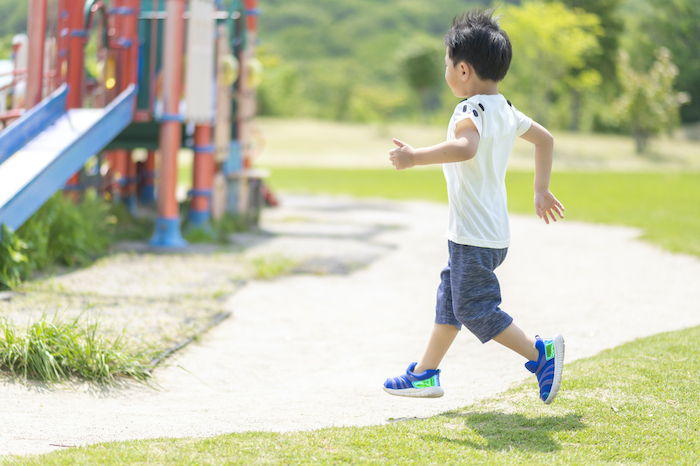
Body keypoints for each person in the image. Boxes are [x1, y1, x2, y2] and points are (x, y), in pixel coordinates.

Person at [384, 9, 566, 404]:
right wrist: (541, 189)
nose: (445, 70)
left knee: (473, 307)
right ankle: (424, 373)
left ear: (463, 70)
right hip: (490, 234)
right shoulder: (506, 109)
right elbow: (546, 140)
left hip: (473, 236)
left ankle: (541, 354)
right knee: (450, 301)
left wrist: (415, 158)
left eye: (447, 63)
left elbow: (466, 149)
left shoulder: (471, 111)